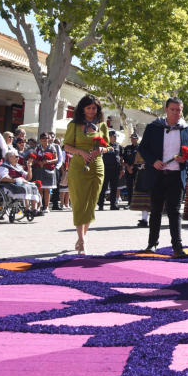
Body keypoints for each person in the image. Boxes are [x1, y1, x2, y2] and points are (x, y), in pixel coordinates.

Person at [137, 97, 188, 257]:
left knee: (175, 212)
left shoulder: (187, 129)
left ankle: (177, 247)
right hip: (157, 175)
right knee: (155, 210)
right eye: (172, 109)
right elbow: (143, 148)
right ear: (166, 109)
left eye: (179, 109)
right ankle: (152, 244)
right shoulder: (153, 127)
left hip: (176, 176)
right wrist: (153, 161)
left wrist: (186, 157)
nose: (175, 112)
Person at [62, 94, 111, 255]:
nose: (91, 111)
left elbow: (109, 146)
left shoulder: (102, 125)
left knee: (91, 203)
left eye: (94, 108)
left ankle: (81, 237)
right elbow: (66, 146)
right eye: (89, 108)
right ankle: (81, 240)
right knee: (79, 202)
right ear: (83, 109)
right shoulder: (74, 125)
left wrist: (101, 149)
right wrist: (80, 152)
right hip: (78, 167)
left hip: (97, 167)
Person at [31, 132, 60, 215]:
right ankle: (39, 205)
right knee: (39, 188)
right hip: (39, 170)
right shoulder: (37, 148)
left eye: (46, 138)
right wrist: (37, 161)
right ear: (40, 139)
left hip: (48, 170)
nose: (45, 140)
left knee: (47, 189)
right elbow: (33, 157)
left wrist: (48, 161)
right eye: (43, 138)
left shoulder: (52, 147)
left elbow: (56, 159)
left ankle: (46, 206)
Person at [98, 131, 123, 211]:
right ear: (110, 137)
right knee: (104, 187)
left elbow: (121, 158)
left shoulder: (118, 146)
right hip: (107, 168)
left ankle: (113, 205)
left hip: (116, 168)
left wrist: (122, 169)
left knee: (114, 188)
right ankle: (101, 204)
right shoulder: (105, 145)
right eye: (114, 136)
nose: (115, 138)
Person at [123, 133, 142, 205]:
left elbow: (140, 159)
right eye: (132, 138)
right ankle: (130, 202)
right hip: (128, 170)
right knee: (129, 186)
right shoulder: (127, 148)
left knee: (138, 185)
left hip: (137, 169)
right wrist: (128, 167)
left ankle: (138, 202)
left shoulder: (140, 147)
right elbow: (124, 159)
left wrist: (132, 166)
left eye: (134, 138)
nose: (133, 139)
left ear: (137, 139)